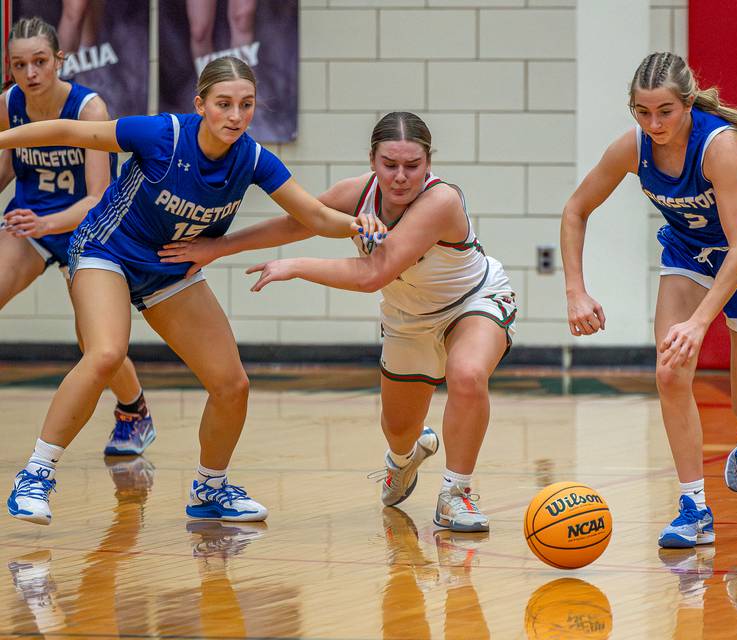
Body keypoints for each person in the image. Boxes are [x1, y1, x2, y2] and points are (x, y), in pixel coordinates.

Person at [2, 55, 383, 526]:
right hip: (108, 249)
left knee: (232, 385)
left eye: (246, 105)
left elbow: (316, 216)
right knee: (105, 353)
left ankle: (211, 487)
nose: (236, 116)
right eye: (224, 104)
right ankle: (35, 475)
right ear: (200, 104)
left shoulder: (253, 158)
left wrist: (358, 225)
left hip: (170, 267)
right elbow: (69, 133)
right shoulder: (162, 134)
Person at [158, 111, 517, 532]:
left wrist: (295, 266)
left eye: (413, 166)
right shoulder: (357, 192)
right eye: (390, 165)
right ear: (372, 160)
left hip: (472, 300)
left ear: (428, 163)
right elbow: (298, 222)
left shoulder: (441, 201)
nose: (401, 177)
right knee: (398, 431)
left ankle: (456, 495)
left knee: (468, 374)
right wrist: (217, 247)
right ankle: (404, 458)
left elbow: (372, 275)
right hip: (408, 317)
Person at [560, 52, 737, 548]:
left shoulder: (720, 146)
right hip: (689, 252)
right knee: (669, 372)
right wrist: (576, 290)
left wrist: (699, 324)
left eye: (664, 110)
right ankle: (694, 507)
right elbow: (576, 209)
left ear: (687, 104)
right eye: (642, 112)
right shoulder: (633, 148)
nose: (654, 122)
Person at [0, 16, 154, 457]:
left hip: (87, 228)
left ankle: (134, 411)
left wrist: (48, 224)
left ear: (59, 61)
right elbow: (8, 165)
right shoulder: (8, 103)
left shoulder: (90, 109)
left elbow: (97, 198)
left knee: (94, 342)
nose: (30, 73)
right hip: (30, 221)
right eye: (19, 64)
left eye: (40, 62)